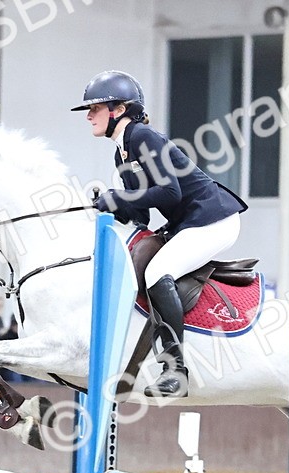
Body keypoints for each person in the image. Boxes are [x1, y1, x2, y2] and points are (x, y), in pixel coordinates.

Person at [72, 70, 247, 398]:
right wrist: (108, 204)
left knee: (157, 272)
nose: (88, 116)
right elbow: (141, 215)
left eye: (94, 108)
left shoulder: (142, 137)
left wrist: (120, 196)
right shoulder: (121, 152)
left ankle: (175, 370)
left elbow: (169, 194)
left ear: (119, 110)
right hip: (191, 221)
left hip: (215, 218)